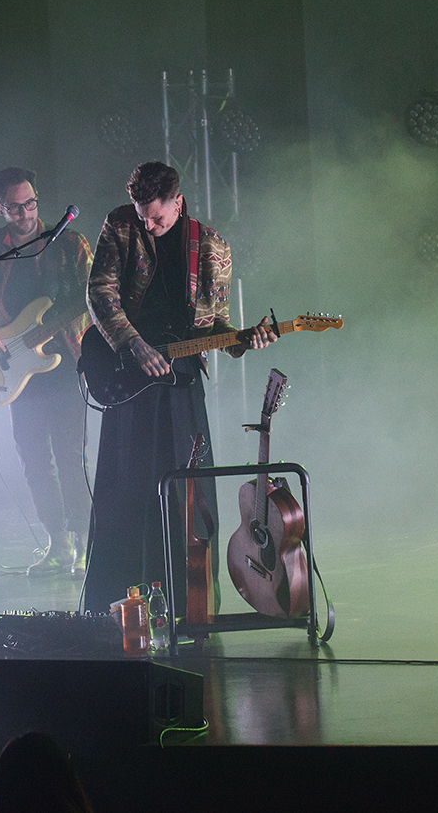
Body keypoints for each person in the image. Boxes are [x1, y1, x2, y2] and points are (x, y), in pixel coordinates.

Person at [80, 161, 273, 614]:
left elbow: (217, 325)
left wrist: (244, 340)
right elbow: (100, 292)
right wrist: (133, 344)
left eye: (157, 217)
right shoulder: (120, 224)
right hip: (128, 375)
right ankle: (114, 603)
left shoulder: (212, 248)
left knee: (187, 493)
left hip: (180, 381)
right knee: (123, 489)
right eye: (143, 215)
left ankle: (188, 605)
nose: (149, 224)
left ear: (178, 203)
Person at [0, 168, 94, 574]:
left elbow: (97, 293)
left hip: (67, 361)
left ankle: (85, 541)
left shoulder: (70, 243)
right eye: (15, 207)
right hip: (14, 368)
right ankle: (58, 541)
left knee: (72, 456)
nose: (25, 213)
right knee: (33, 458)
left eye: (31, 203)